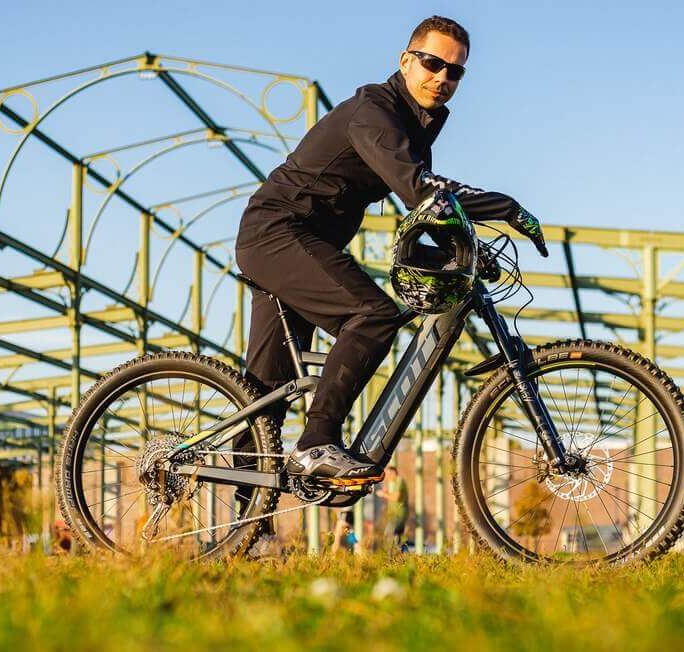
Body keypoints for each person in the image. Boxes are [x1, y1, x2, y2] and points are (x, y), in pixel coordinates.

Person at [234, 15, 548, 480]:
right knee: (374, 314)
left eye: (455, 71)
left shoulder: (417, 127)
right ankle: (317, 441)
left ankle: (241, 534)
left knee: (265, 394)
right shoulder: (375, 112)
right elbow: (421, 189)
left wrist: (471, 254)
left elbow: (428, 215)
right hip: (278, 233)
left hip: (302, 243)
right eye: (432, 63)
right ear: (406, 60)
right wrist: (505, 206)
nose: (442, 78)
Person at [375, 466, 410, 550]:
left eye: (388, 474)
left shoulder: (399, 481)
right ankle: (400, 556)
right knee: (397, 537)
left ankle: (393, 555)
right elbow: (391, 495)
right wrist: (386, 492)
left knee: (390, 534)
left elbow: (396, 498)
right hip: (394, 514)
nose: (387, 477)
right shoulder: (392, 483)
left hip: (399, 514)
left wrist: (383, 494)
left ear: (393, 473)